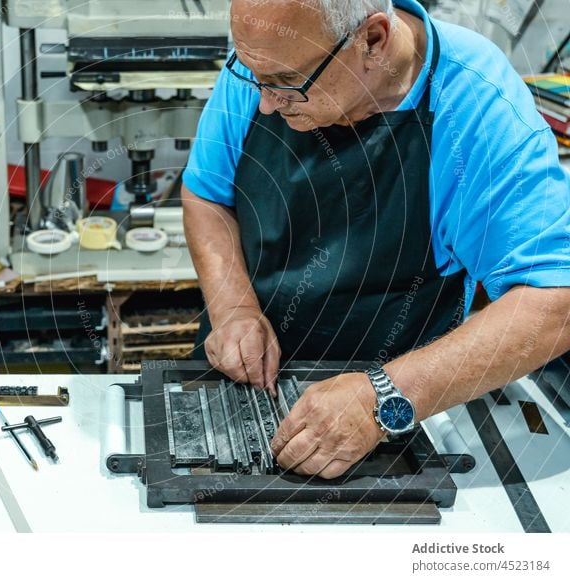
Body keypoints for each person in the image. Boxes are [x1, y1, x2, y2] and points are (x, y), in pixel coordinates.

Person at [181, 0, 570, 478]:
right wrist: (233, 307)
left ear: (373, 40)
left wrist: (385, 396)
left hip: (386, 432)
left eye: (286, 83)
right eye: (251, 74)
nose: (263, 101)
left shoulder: (476, 106)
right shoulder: (270, 57)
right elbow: (206, 194)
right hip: (241, 385)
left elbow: (554, 299)